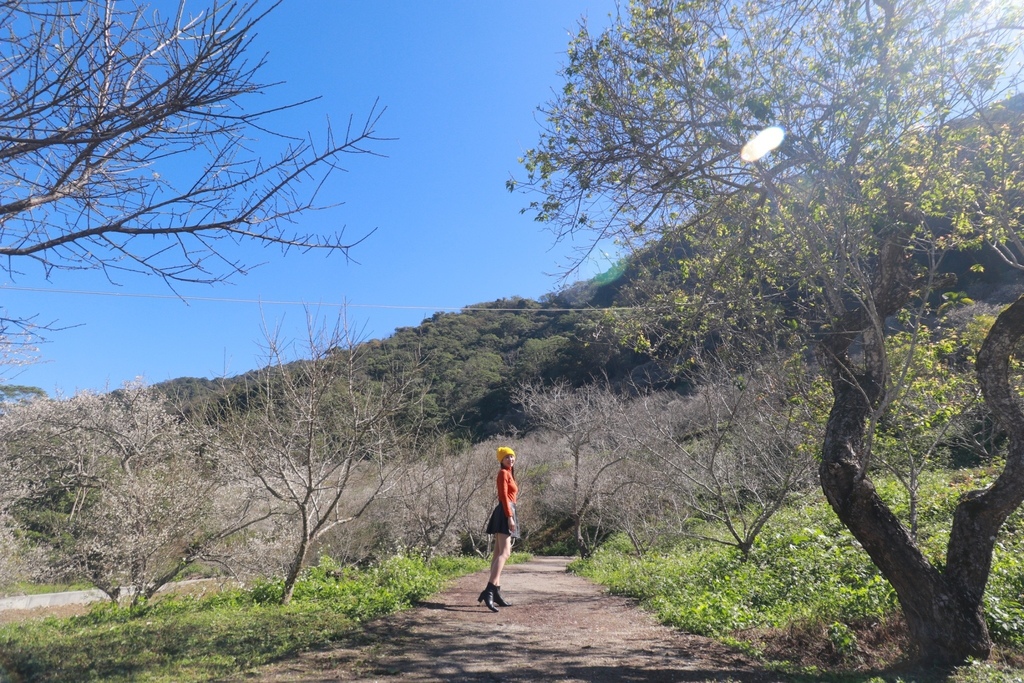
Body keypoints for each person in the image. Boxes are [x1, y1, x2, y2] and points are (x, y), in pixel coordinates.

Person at [479, 445, 519, 612]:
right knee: (505, 553)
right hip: (505, 511)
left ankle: (495, 591)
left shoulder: (509, 473)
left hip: (506, 510)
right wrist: (510, 517)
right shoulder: (503, 473)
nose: (510, 459)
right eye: (507, 457)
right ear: (501, 460)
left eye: (512, 456)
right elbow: (503, 496)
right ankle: (489, 589)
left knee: (497, 554)